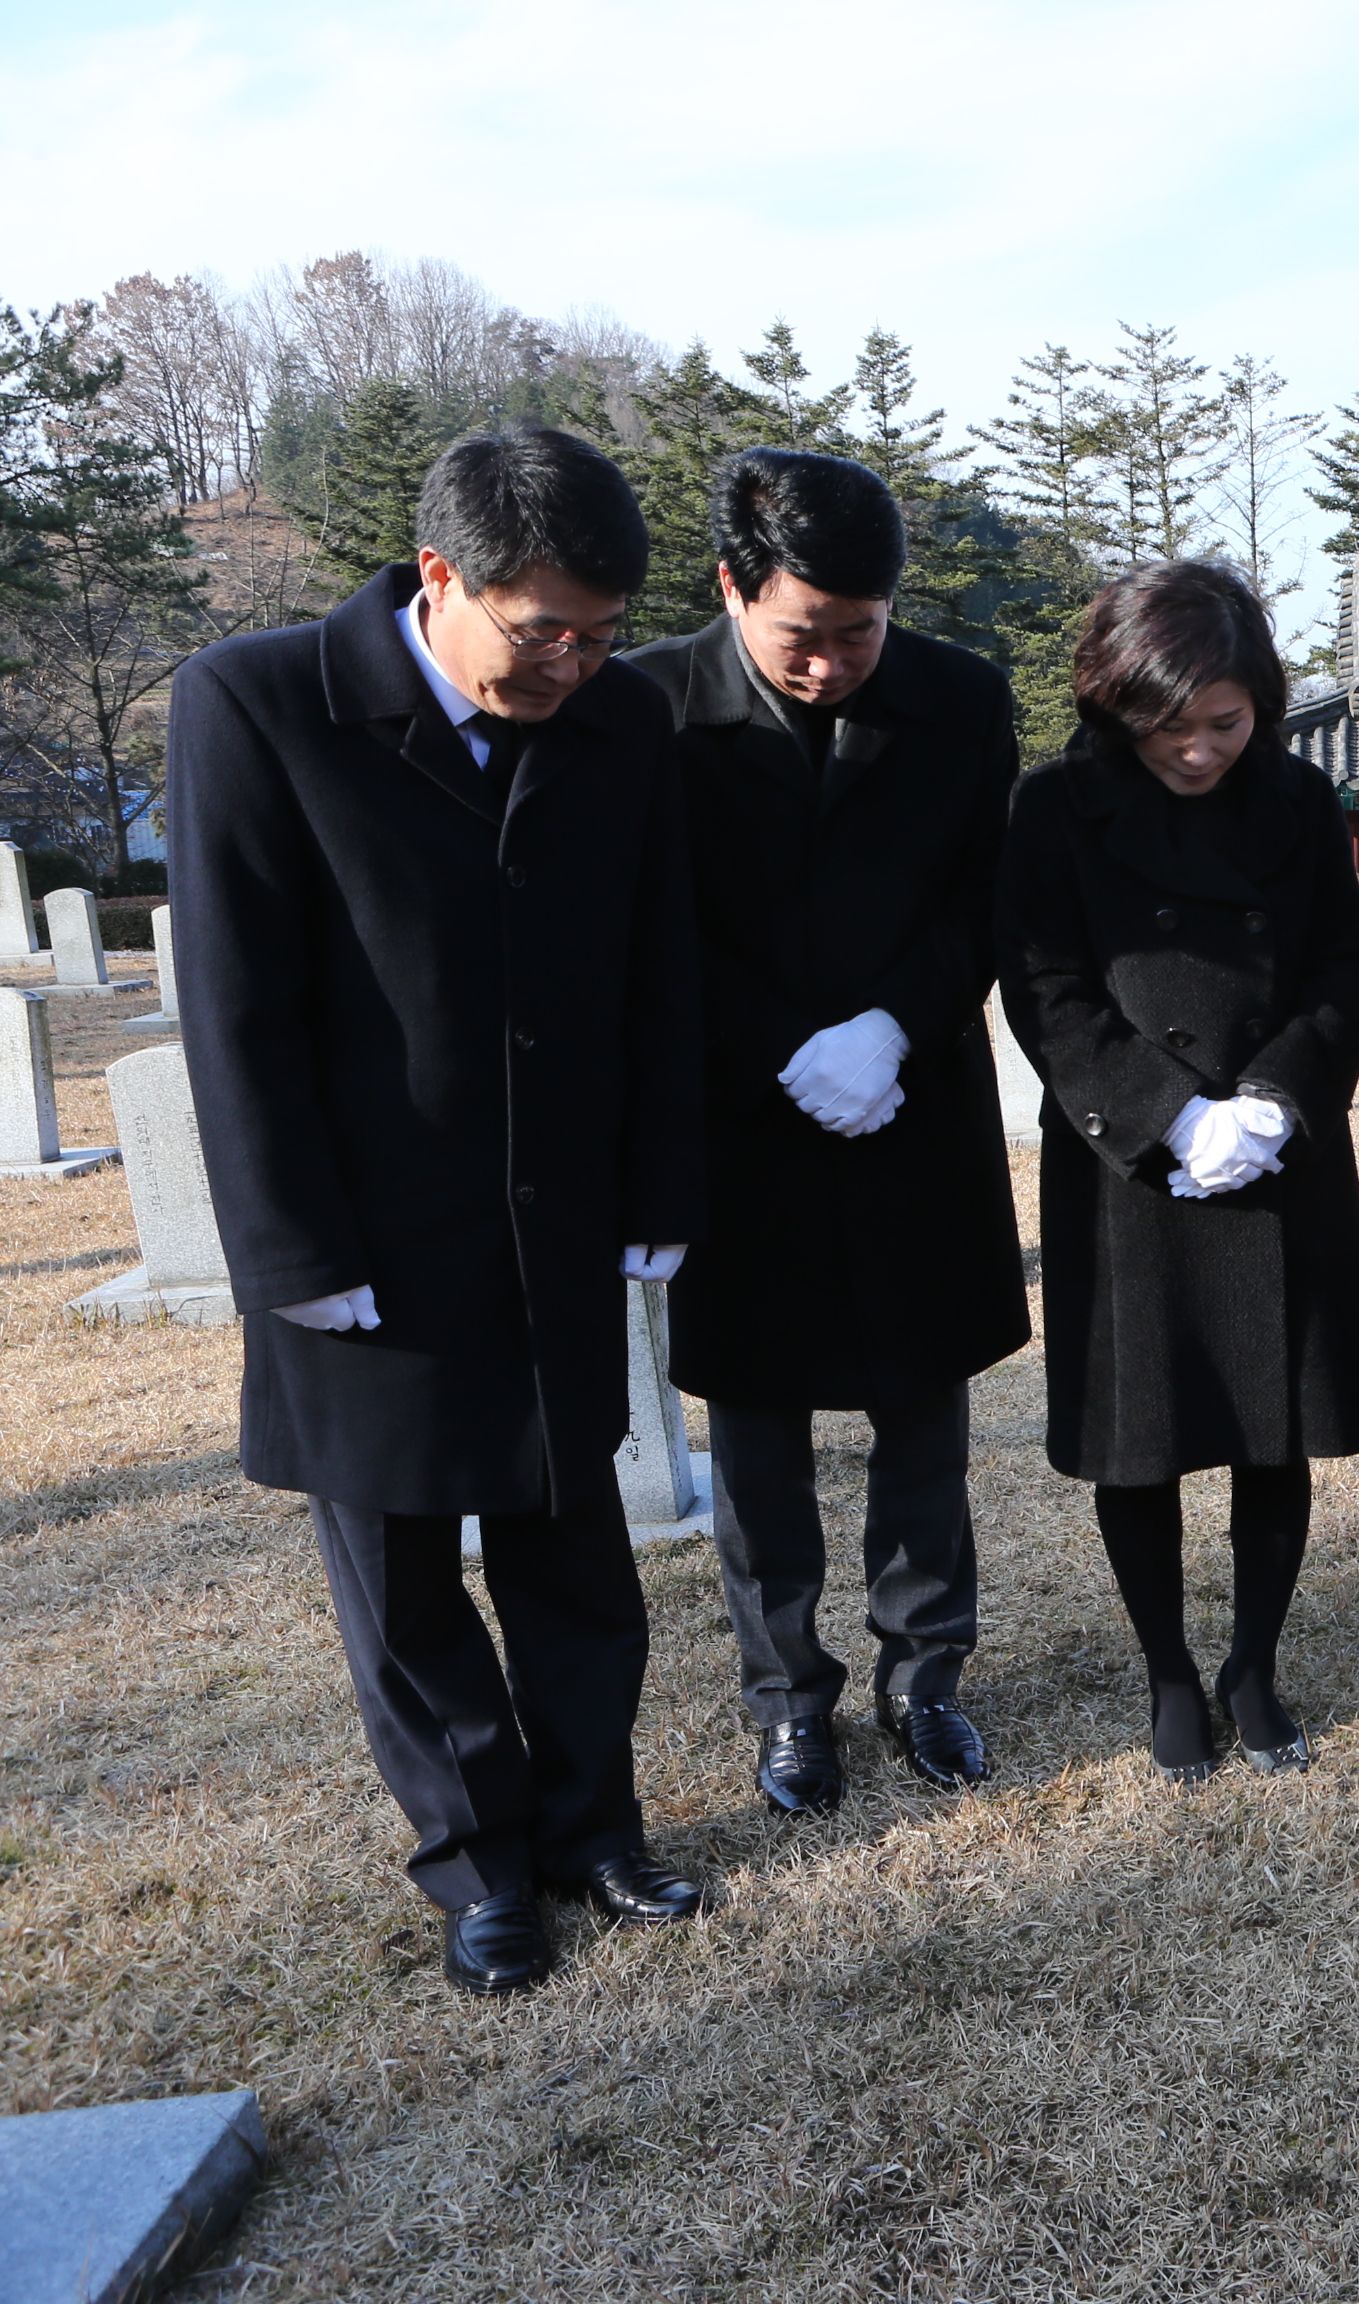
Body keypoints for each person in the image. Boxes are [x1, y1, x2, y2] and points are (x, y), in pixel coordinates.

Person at [167, 428, 705, 1997]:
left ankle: (596, 1824)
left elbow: (656, 968)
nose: (576, 666)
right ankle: (481, 1864)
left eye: (603, 636)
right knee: (402, 1575)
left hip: (551, 1214)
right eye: (544, 633)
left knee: (573, 1546)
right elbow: (236, 1003)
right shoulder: (259, 703)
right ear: (440, 578)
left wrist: (660, 1185)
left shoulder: (623, 721)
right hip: (362, 1229)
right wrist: (291, 1251)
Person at [625, 449, 1029, 1814]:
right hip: (740, 1121)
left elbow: (987, 892)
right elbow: (643, 919)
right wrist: (774, 1044)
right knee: (758, 1434)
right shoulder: (649, 710)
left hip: (910, 1099)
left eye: (863, 632)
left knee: (925, 1415)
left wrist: (894, 1024)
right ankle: (790, 1697)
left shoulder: (962, 702)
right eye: (804, 634)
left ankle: (929, 1676)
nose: (834, 664)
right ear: (732, 586)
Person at [997, 560, 1359, 1785]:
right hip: (1131, 1162)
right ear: (1115, 702)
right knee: (1143, 1432)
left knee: (1273, 1429)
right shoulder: (1052, 809)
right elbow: (1044, 988)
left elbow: (1341, 968)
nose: (1201, 750)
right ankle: (1170, 1671)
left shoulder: (1304, 801)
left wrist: (1273, 1103)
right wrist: (1167, 1116)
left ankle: (1253, 1665)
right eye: (1169, 726)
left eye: (1226, 721)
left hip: (1276, 1151)